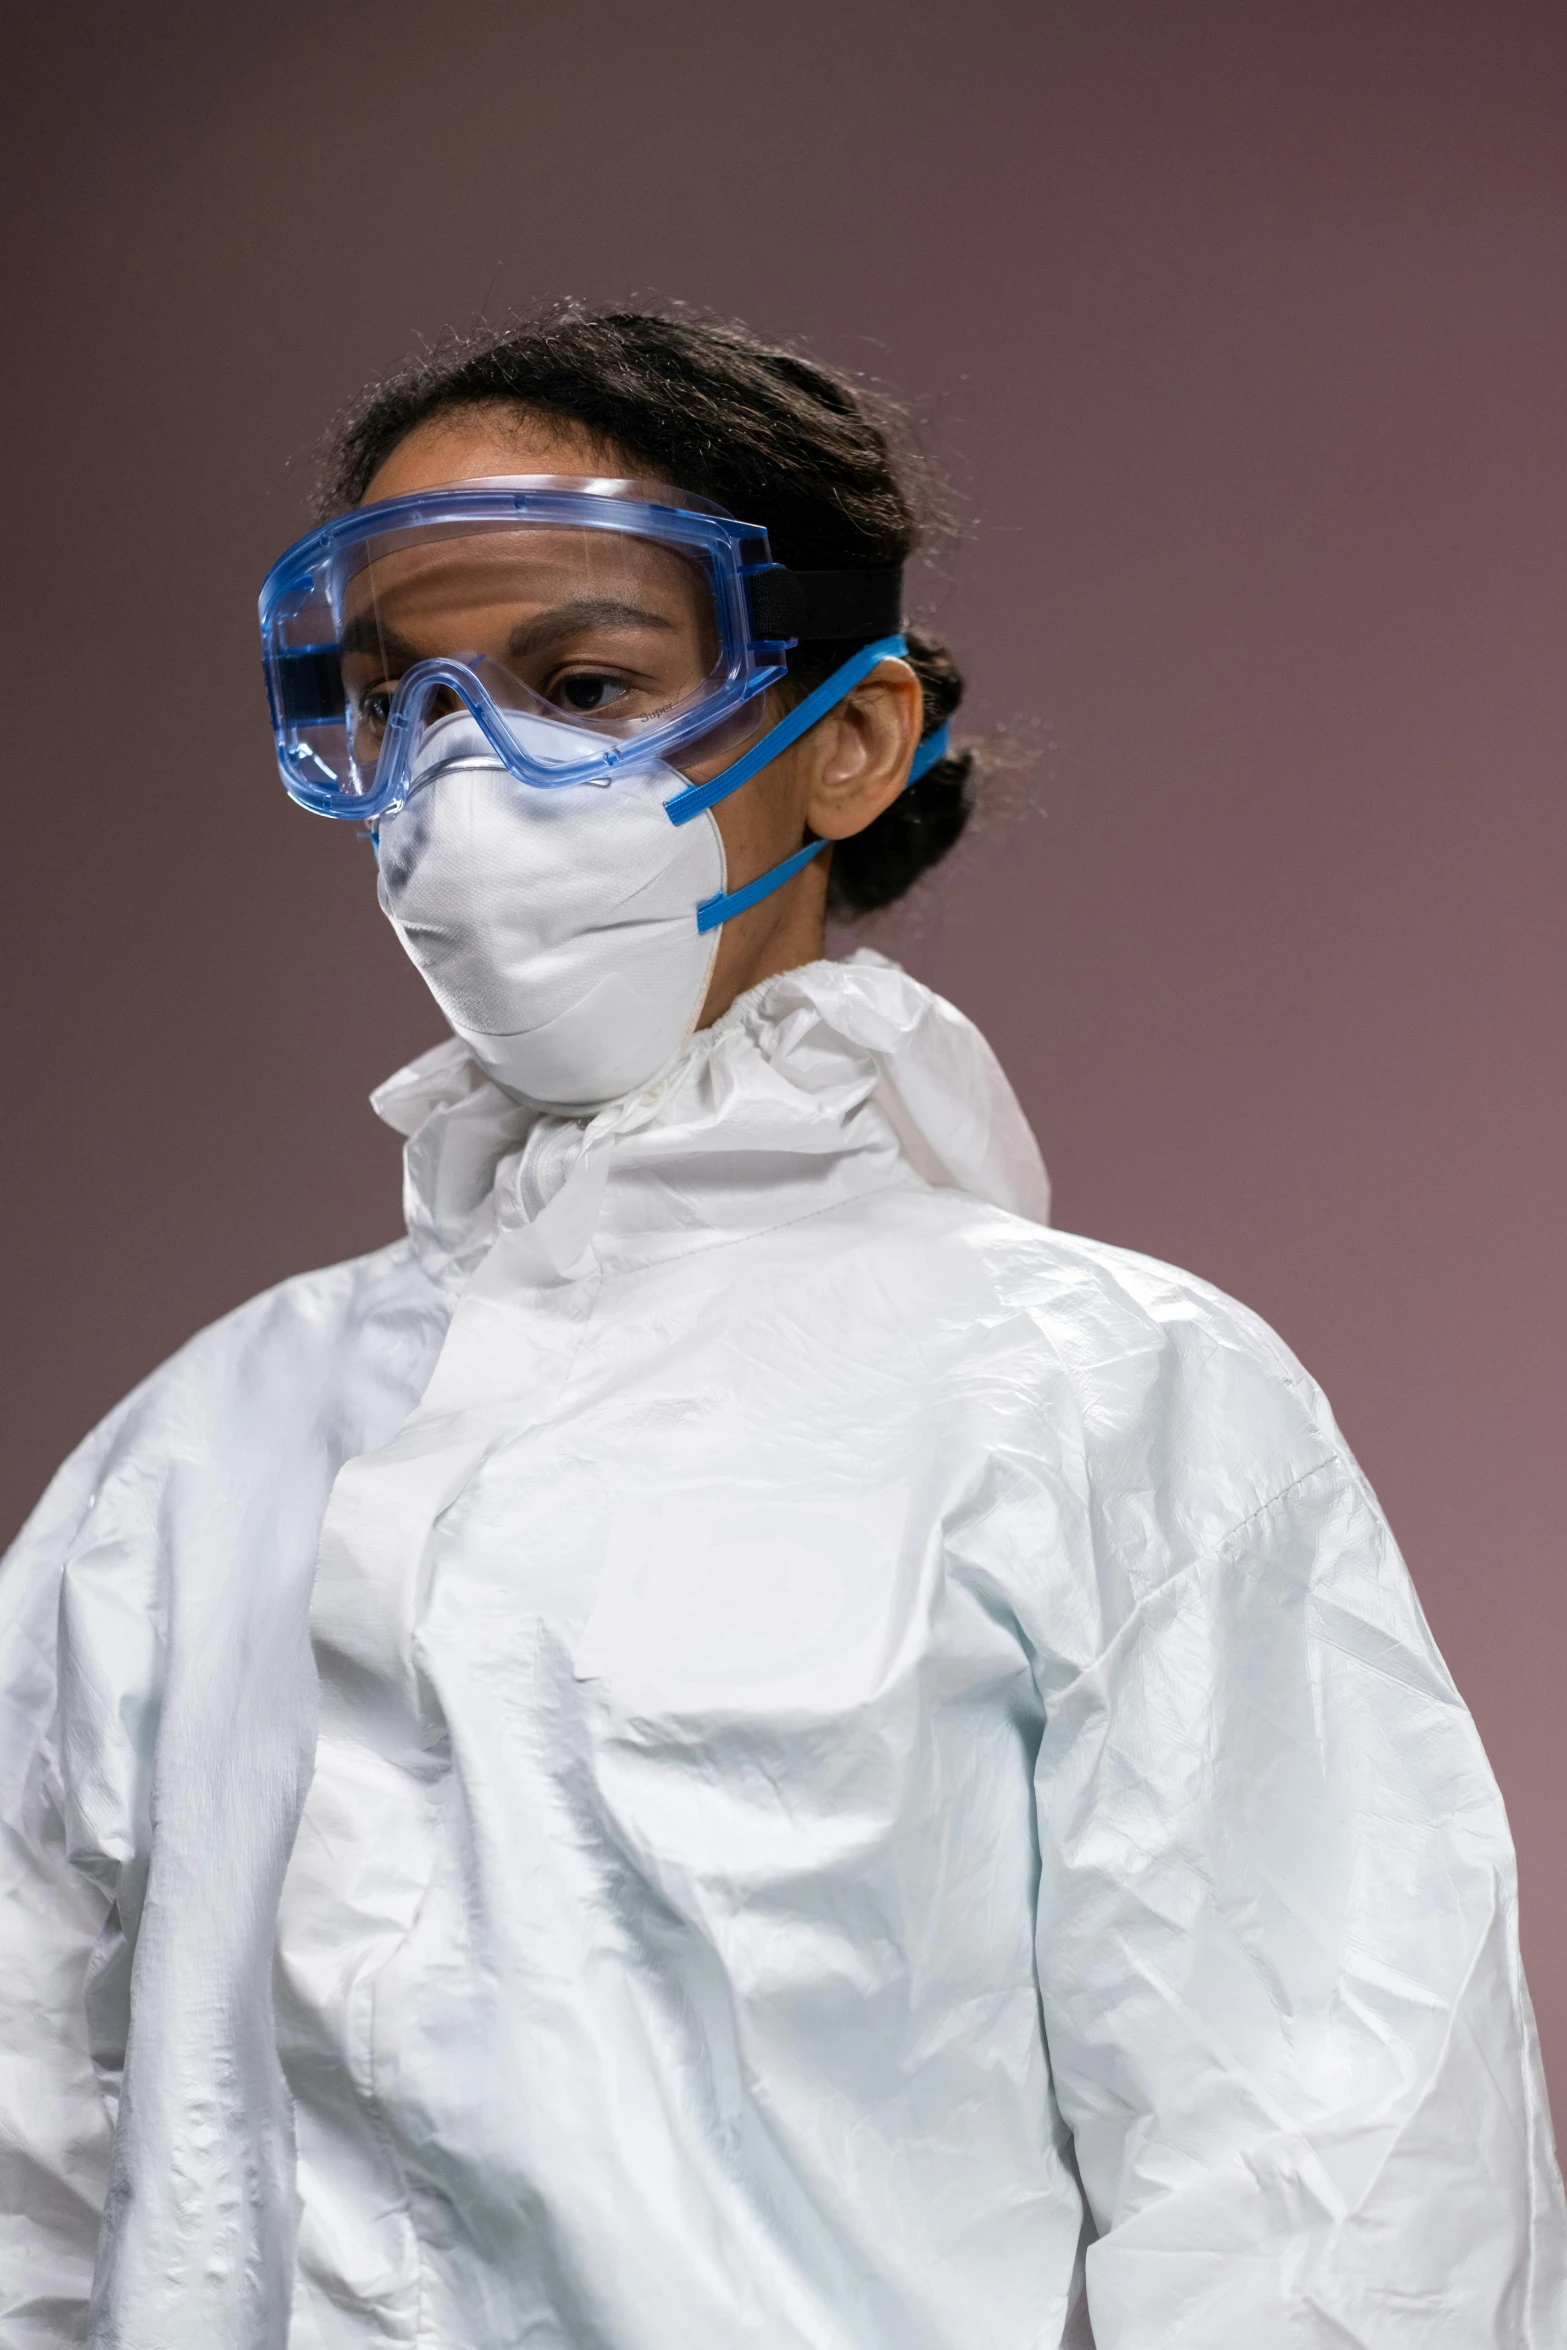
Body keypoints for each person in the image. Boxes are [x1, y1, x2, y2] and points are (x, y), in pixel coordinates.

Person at [1, 307, 1561, 2350]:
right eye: (405, 703)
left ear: (849, 735)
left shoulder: (1105, 1403)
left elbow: (1338, 2214)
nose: (464, 786)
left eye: (582, 685)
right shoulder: (190, 1454)